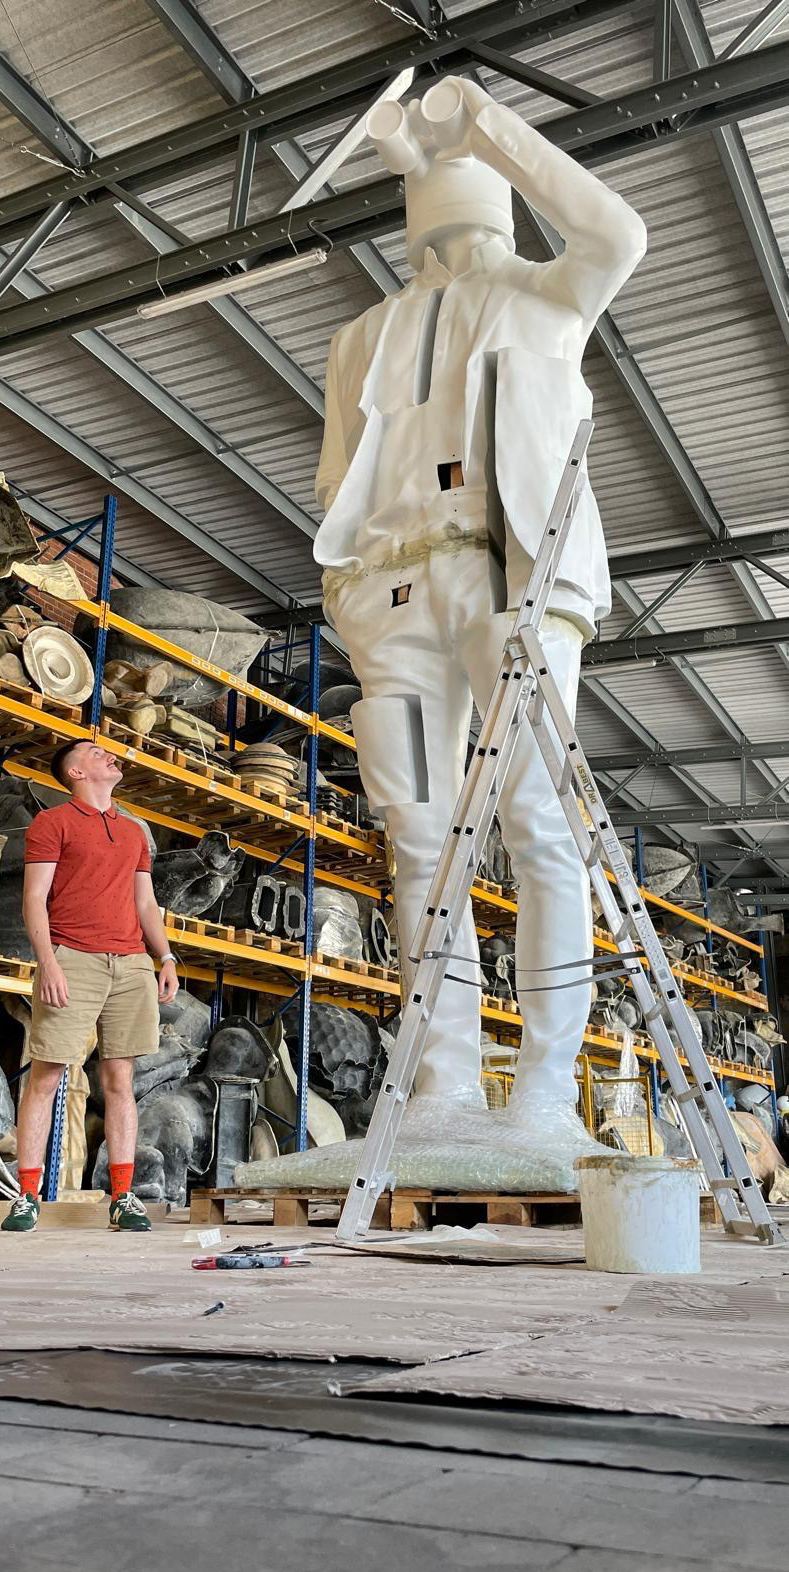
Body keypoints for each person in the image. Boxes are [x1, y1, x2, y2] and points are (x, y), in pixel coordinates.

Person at [312, 78, 646, 1156]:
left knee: (539, 828)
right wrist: (348, 589)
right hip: (393, 597)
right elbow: (334, 477)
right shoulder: (361, 334)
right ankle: (443, 1088)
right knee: (418, 840)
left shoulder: (550, 295)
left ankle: (545, 1094)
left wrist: (484, 130)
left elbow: (618, 227)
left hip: (511, 586)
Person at [2, 739, 178, 1233]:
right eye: (97, 753)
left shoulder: (134, 832)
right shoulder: (52, 823)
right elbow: (34, 898)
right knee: (47, 1074)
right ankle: (27, 1195)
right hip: (72, 959)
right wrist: (48, 963)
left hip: (131, 964)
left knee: (120, 1080)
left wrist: (164, 956)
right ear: (76, 771)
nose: (110, 755)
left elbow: (146, 904)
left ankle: (123, 1197)